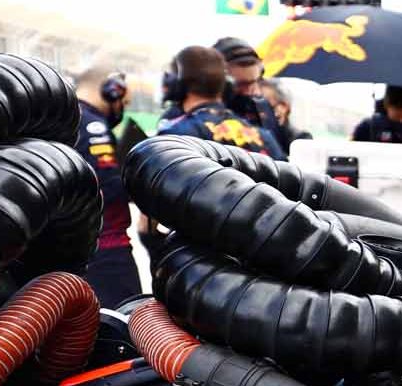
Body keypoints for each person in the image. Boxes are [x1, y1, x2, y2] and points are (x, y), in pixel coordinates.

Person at [70, 70, 141, 306]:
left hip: (75, 249)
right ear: (112, 91)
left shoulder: (66, 117)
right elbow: (107, 188)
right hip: (106, 249)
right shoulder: (93, 126)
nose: (124, 107)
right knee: (123, 329)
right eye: (125, 101)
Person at [158, 45, 284, 159]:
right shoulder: (264, 137)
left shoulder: (175, 137)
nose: (252, 92)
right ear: (227, 86)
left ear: (176, 85)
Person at [212, 36, 293, 149]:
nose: (249, 92)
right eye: (241, 85)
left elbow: (287, 140)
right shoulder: (207, 118)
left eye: (253, 83)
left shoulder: (264, 107)